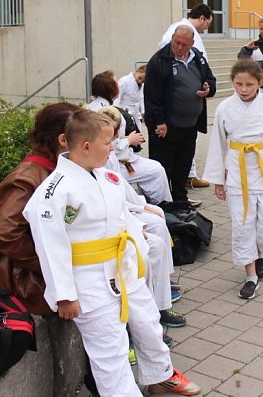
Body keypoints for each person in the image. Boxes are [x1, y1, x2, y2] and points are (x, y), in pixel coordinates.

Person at [23, 109, 200, 396]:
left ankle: (160, 376)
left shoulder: (108, 178)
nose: (114, 148)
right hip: (88, 282)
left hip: (123, 269)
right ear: (86, 146)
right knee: (111, 354)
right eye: (108, 143)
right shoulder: (53, 192)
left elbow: (124, 220)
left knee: (149, 325)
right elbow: (49, 246)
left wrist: (138, 257)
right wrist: (64, 295)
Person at [0, 102, 97, 396]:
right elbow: (7, 233)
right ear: (63, 139)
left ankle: (106, 370)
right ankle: (95, 378)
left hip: (36, 267)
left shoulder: (55, 170)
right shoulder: (28, 177)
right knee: (89, 292)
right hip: (20, 275)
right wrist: (50, 264)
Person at [204, 59, 263, 299]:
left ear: (260, 82)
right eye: (238, 84)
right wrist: (218, 180)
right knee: (243, 226)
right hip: (237, 173)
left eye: (249, 84)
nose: (243, 89)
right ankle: (250, 274)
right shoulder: (224, 108)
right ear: (232, 82)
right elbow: (218, 145)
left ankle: (260, 255)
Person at [97, 106, 187, 330]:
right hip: (109, 229)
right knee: (152, 237)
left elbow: (121, 187)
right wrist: (135, 222)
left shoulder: (107, 157)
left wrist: (143, 205)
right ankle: (154, 306)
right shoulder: (93, 163)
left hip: (124, 210)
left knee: (158, 221)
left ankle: (162, 291)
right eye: (109, 140)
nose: (113, 144)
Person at [144, 25, 216, 209]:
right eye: (176, 42)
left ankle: (180, 200)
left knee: (183, 164)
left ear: (192, 43)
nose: (179, 47)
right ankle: (161, 202)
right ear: (172, 39)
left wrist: (208, 88)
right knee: (163, 167)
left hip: (190, 125)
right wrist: (159, 121)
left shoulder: (198, 58)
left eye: (184, 44)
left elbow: (211, 80)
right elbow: (152, 96)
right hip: (166, 127)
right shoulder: (159, 60)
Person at [88, 71, 172, 205]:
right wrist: (129, 140)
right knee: (156, 170)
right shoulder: (107, 113)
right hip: (112, 164)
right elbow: (106, 144)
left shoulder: (92, 107)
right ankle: (164, 207)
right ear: (112, 89)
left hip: (113, 159)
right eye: (116, 83)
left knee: (154, 169)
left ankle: (157, 205)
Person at [158, 4, 214, 189]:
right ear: (202, 18)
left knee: (187, 150)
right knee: (174, 154)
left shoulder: (192, 37)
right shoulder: (180, 32)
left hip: (191, 111)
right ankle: (173, 189)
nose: (206, 29)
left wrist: (208, 85)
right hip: (174, 112)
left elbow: (206, 71)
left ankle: (187, 179)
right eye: (207, 24)